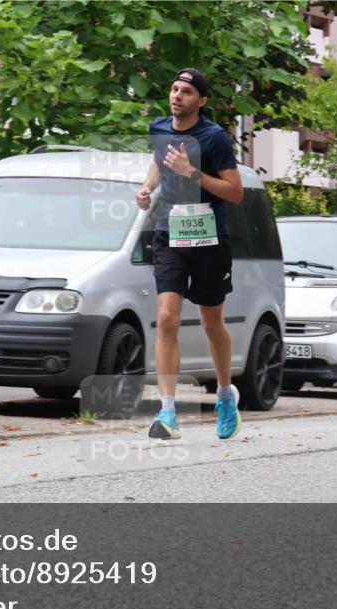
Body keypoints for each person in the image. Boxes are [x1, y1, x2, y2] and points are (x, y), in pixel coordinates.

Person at [135, 68, 244, 440]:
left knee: (212, 323)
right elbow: (157, 162)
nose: (176, 96)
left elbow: (234, 192)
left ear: (201, 101)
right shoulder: (160, 127)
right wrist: (147, 188)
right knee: (167, 318)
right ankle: (167, 413)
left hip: (210, 237)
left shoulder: (214, 138)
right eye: (174, 89)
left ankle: (226, 395)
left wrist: (191, 172)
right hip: (169, 232)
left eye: (186, 91)